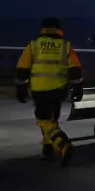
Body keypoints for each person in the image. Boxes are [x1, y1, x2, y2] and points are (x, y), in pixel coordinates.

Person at [15, 17, 84, 167]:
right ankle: (48, 149)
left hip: (40, 90)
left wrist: (21, 88)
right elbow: (75, 69)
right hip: (59, 90)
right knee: (52, 119)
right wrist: (77, 88)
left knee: (44, 120)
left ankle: (63, 144)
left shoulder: (34, 46)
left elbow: (22, 68)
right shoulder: (65, 46)